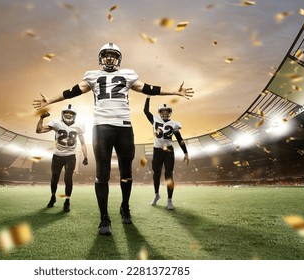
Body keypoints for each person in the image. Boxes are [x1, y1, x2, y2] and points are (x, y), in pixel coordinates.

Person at [33, 42, 194, 235]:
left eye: (113, 55)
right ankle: (104, 219)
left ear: (118, 58)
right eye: (106, 55)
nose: (109, 58)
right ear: (101, 57)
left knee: (126, 174)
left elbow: (148, 88)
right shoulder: (92, 76)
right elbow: (71, 92)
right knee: (102, 174)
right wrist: (49, 100)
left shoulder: (128, 74)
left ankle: (124, 207)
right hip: (101, 128)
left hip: (124, 128)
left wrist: (174, 91)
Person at [35, 104, 88, 212]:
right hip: (57, 155)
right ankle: (53, 197)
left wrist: (85, 156)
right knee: (54, 178)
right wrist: (41, 118)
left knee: (68, 179)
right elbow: (39, 130)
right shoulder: (56, 122)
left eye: (71, 113)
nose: (68, 114)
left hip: (70, 156)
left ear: (74, 115)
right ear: (62, 114)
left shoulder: (79, 125)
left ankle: (67, 201)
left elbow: (82, 143)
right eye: (66, 112)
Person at [143, 96, 189, 210]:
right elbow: (145, 110)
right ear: (159, 112)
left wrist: (186, 152)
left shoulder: (174, 124)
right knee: (156, 174)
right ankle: (156, 194)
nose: (164, 113)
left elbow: (180, 138)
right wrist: (148, 97)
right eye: (162, 111)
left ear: (170, 113)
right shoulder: (154, 119)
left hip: (168, 151)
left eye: (167, 111)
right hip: (157, 150)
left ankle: (169, 200)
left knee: (169, 175)